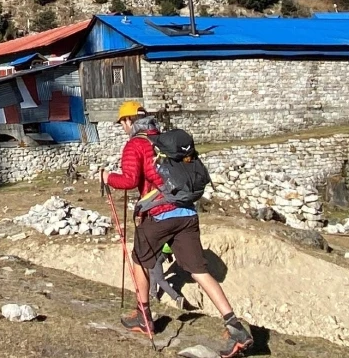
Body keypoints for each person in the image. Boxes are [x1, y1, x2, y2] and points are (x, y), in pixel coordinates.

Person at [104, 101, 253, 357]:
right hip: (187, 213)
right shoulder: (166, 140)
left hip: (159, 215)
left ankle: (143, 317)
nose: (122, 128)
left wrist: (107, 177)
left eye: (122, 123)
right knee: (198, 269)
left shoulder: (135, 145)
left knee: (140, 260)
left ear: (128, 121)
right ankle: (235, 326)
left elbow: (128, 181)